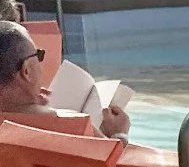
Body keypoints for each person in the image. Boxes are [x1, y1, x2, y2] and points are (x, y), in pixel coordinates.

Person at [0, 19, 129, 137]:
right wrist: (118, 135)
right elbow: (114, 161)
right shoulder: (73, 125)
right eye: (38, 55)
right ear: (26, 71)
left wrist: (28, 102)